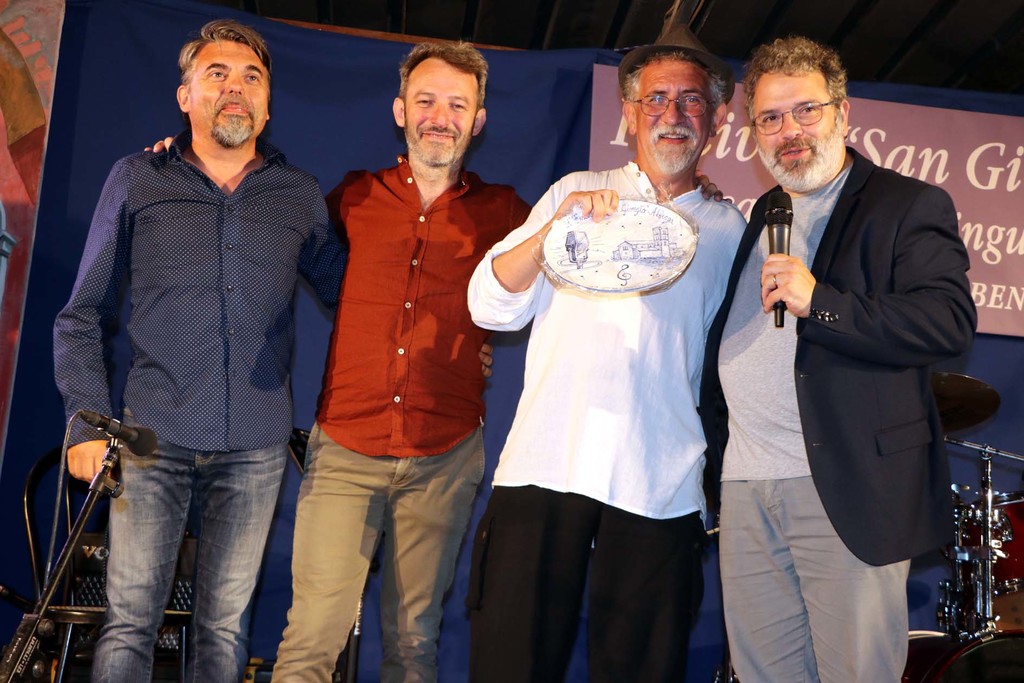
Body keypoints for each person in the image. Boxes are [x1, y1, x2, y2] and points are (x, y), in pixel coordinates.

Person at [52, 19, 347, 682]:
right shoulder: (138, 179)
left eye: (251, 77)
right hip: (152, 438)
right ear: (185, 97)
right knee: (129, 623)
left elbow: (354, 291)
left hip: (256, 446)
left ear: (267, 107)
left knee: (223, 631)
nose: (235, 87)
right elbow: (81, 315)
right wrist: (86, 422)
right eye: (217, 74)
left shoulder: (299, 195)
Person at [465, 25, 746, 683]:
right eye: (656, 99)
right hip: (546, 464)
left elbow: (734, 362)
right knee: (510, 664)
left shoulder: (730, 228)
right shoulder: (575, 191)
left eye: (691, 100)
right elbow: (488, 304)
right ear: (629, 114)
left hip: (659, 482)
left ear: (714, 121)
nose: (673, 114)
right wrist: (554, 232)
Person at [700, 36, 977, 682]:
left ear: (843, 113)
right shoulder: (766, 211)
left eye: (806, 110)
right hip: (747, 487)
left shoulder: (906, 204)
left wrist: (820, 301)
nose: (789, 131)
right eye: (770, 118)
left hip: (843, 487)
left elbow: (947, 321)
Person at [271, 42, 530, 682]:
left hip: (445, 454)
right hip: (345, 447)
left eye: (457, 105)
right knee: (309, 643)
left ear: (478, 120)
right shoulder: (353, 197)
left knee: (414, 647)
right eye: (426, 101)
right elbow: (263, 218)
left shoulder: (506, 213)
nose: (440, 117)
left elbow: (577, 259)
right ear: (400, 111)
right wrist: (186, 157)